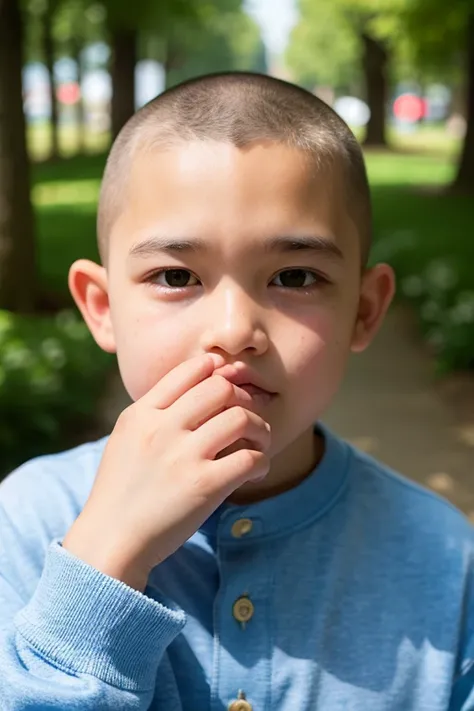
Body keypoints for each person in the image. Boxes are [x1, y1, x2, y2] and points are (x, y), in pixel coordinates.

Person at [0, 72, 472, 711]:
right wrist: (104, 560)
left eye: (295, 276)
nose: (233, 331)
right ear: (103, 307)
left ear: (364, 310)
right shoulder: (25, 522)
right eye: (175, 275)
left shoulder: (448, 560)